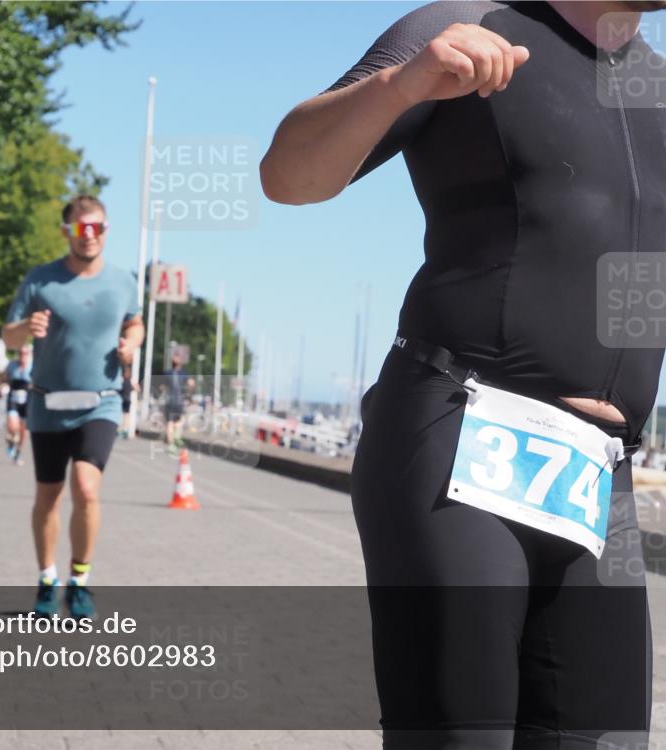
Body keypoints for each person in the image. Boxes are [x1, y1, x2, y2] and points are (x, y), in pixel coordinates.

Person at [262, 1, 664, 748]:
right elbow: (288, 176)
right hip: (462, 434)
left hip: (595, 478)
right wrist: (401, 86)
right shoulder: (469, 25)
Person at [1, 195, 144, 619]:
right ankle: (48, 580)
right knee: (49, 495)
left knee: (86, 488)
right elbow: (8, 336)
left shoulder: (123, 281)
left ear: (106, 230)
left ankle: (79, 582)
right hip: (48, 403)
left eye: (97, 228)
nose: (90, 237)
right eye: (81, 229)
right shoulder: (41, 280)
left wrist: (131, 342)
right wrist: (26, 328)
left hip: (100, 403)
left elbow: (134, 320)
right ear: (67, 232)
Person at [2, 345, 33, 465]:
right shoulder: (12, 365)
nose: (22, 356)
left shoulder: (34, 365)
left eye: (25, 353)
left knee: (23, 430)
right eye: (21, 353)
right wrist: (2, 386)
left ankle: (18, 452)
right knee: (13, 426)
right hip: (13, 397)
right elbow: (4, 378)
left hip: (28, 399)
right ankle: (11, 440)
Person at [164, 350, 193, 454]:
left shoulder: (167, 373)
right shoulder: (184, 374)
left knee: (169, 424)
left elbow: (162, 387)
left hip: (169, 401)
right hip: (179, 401)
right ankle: (177, 436)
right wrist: (188, 395)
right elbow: (191, 384)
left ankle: (171, 445)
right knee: (180, 421)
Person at [118, 363, 137, 439]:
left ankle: (121, 430)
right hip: (127, 400)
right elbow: (137, 388)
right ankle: (124, 430)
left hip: (122, 400)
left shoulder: (122, 380)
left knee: (122, 416)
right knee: (126, 416)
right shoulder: (129, 381)